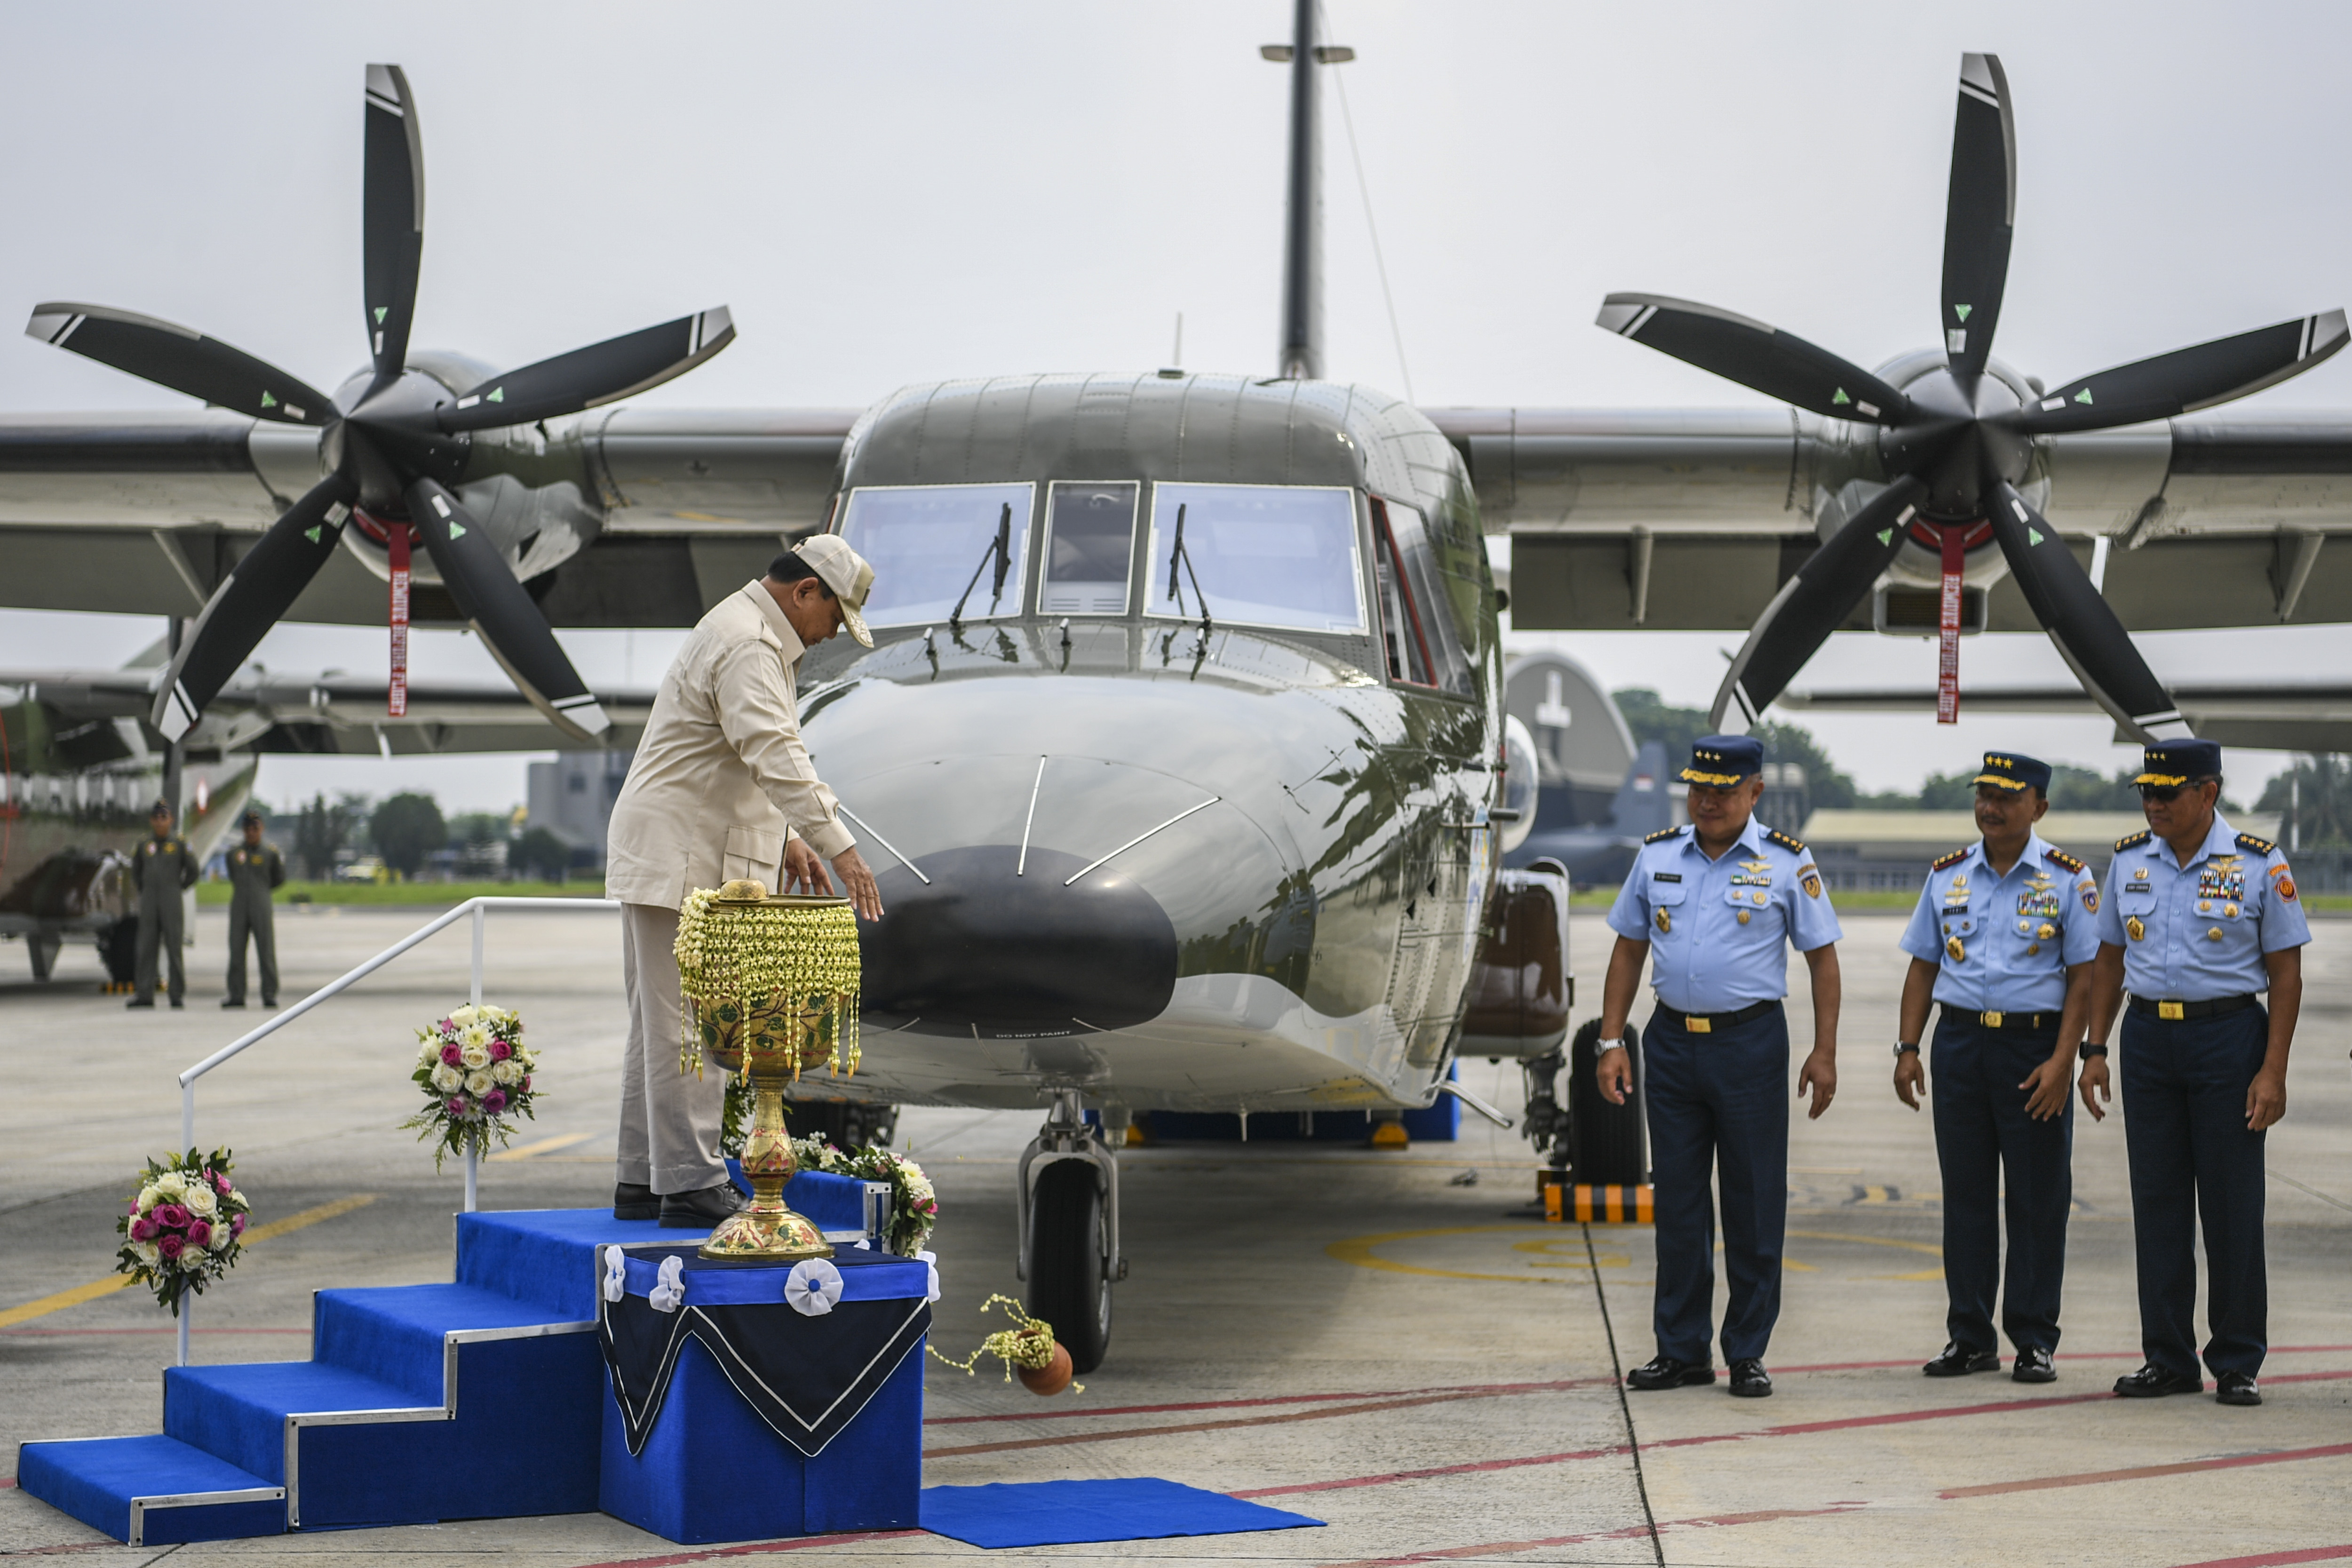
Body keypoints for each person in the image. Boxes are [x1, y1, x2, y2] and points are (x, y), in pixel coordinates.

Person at [604, 538, 887, 1229]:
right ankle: (690, 1183)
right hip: (683, 854)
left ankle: (645, 1177)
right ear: (805, 592)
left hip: (673, 847)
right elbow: (774, 752)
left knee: (660, 1023)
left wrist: (787, 838)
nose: (830, 635)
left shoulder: (741, 628)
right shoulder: (751, 644)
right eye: (834, 617)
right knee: (688, 1022)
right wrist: (843, 849)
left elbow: (727, 751)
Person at [1595, 735, 1843, 1399]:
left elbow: (1822, 959)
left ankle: (1748, 1351)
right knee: (1678, 1202)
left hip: (1749, 1045)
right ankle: (1681, 1350)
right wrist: (1611, 1040)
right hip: (1671, 1043)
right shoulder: (1657, 855)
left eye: (1723, 790)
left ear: (1754, 792)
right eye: (1698, 788)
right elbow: (1628, 949)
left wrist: (1824, 1051)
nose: (1707, 801)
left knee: (1753, 1200)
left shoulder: (1786, 862)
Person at [2081, 739, 2308, 1408]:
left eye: (2166, 793)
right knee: (2157, 1202)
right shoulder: (2129, 861)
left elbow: (2286, 974)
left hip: (2227, 1037)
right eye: (2146, 793)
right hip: (2148, 1038)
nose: (2152, 805)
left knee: (2231, 1204)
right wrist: (2096, 1049)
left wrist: (2273, 1070)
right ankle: (2168, 1356)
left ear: (2207, 793)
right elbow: (2108, 961)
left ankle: (2236, 1360)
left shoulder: (2259, 864)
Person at [1893, 752, 2098, 1384]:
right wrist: (1907, 1048)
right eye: (1983, 795)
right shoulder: (1947, 875)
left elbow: (2085, 977)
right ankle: (1970, 1335)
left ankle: (2033, 1338)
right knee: (1966, 1196)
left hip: (2032, 1050)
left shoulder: (2068, 879)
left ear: (2039, 806)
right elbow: (1923, 965)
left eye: (2007, 797)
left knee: (2038, 1199)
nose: (1991, 807)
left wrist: (2064, 1059)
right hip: (1959, 1044)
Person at [127, 799, 197, 1010]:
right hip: (150, 900)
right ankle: (144, 994)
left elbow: (193, 870)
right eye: (156, 818)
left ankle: (176, 994)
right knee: (146, 947)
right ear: (151, 820)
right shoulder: (143, 844)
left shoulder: (179, 844)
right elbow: (136, 871)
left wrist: (179, 887)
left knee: (174, 947)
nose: (160, 822)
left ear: (171, 820)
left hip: (171, 899)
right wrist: (145, 888)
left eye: (164, 818)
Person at [222, 809, 286, 1009]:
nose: (251, 832)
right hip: (239, 905)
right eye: (248, 829)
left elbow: (279, 878)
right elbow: (232, 874)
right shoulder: (234, 854)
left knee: (266, 951)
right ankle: (236, 994)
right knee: (236, 951)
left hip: (261, 904)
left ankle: (269, 993)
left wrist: (262, 891)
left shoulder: (270, 853)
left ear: (262, 829)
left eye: (255, 828)